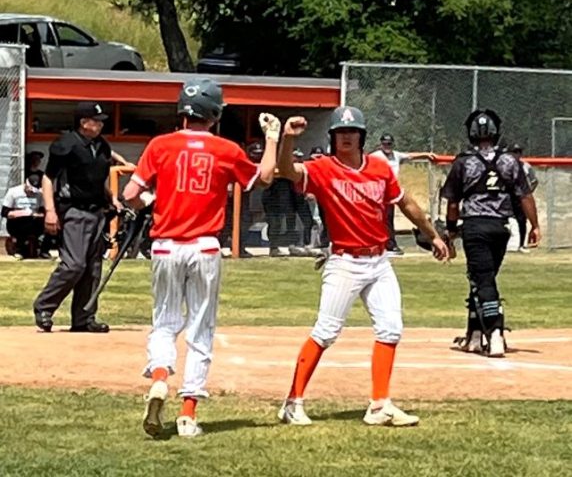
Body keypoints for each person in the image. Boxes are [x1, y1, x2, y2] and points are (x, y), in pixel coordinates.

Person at [121, 77, 280, 439]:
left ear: (182, 110)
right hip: (205, 246)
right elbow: (264, 178)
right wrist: (272, 138)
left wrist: (150, 202)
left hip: (165, 245)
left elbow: (130, 193)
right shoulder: (226, 149)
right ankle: (188, 412)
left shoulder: (160, 145)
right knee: (200, 329)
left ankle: (160, 376)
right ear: (214, 114)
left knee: (164, 322)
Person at [276, 106, 448, 427]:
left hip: (379, 260)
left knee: (391, 328)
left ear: (362, 136)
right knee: (326, 332)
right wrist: (287, 138)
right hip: (344, 261)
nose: (346, 136)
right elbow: (287, 170)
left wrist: (433, 236)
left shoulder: (380, 168)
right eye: (340, 132)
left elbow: (406, 203)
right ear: (332, 137)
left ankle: (379, 405)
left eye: (352, 132)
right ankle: (292, 402)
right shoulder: (323, 167)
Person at [441, 110, 541, 358]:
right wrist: (535, 225)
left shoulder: (463, 162)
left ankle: (495, 333)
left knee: (483, 280)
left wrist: (451, 231)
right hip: (500, 228)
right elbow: (525, 196)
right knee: (480, 279)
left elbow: (453, 203)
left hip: (475, 227)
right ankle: (474, 335)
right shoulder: (510, 161)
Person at [33, 101, 119, 334]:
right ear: (84, 123)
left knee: (93, 267)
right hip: (74, 211)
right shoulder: (66, 144)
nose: (101, 125)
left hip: (97, 211)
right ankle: (44, 307)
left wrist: (113, 199)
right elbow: (49, 178)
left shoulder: (101, 146)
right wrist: (50, 211)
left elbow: (97, 181)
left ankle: (84, 317)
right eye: (97, 121)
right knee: (74, 264)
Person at [370, 133, 435, 255]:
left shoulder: (396, 155)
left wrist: (425, 155)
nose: (387, 146)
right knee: (382, 219)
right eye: (385, 144)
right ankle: (389, 246)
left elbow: (410, 156)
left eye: (389, 144)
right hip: (378, 190)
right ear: (381, 144)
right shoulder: (375, 156)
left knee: (388, 218)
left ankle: (387, 244)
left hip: (390, 191)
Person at [2, 174, 49, 259]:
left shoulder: (39, 195)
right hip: (17, 222)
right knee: (21, 223)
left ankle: (43, 250)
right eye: (30, 190)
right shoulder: (13, 192)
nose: (31, 193)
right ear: (26, 184)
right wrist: (23, 213)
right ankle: (19, 249)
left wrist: (35, 214)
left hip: (33, 221)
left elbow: (43, 212)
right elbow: (5, 213)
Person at [509, 144, 539, 253]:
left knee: (521, 220)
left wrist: (528, 192)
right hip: (507, 197)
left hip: (521, 198)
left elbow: (534, 181)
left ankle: (521, 244)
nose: (516, 154)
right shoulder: (504, 165)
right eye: (513, 152)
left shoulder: (526, 166)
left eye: (518, 152)